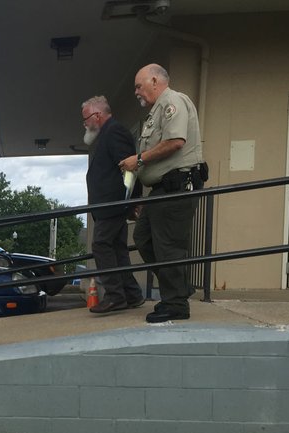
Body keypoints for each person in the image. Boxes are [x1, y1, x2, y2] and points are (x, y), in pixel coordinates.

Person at [118, 64, 204, 324]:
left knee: (169, 248)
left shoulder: (173, 101)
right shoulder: (156, 111)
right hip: (160, 190)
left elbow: (176, 141)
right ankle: (179, 287)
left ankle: (176, 304)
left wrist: (139, 159)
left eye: (138, 86)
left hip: (176, 187)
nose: (136, 92)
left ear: (154, 81)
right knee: (143, 238)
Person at [81, 95, 145, 314]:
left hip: (113, 205)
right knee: (117, 249)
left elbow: (130, 167)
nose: (85, 123)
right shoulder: (109, 133)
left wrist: (132, 200)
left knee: (101, 245)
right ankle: (132, 294)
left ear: (97, 116)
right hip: (113, 205)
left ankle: (115, 296)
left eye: (86, 118)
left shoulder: (114, 132)